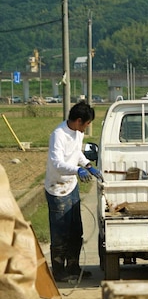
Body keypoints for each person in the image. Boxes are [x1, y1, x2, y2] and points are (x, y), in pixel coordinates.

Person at [44, 100, 103, 282]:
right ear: (78, 120)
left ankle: (73, 267)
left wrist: (87, 165)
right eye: (86, 124)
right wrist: (77, 170)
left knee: (76, 231)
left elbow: (77, 152)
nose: (87, 127)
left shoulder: (77, 133)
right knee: (60, 233)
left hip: (71, 186)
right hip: (57, 188)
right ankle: (59, 271)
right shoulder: (58, 135)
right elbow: (57, 163)